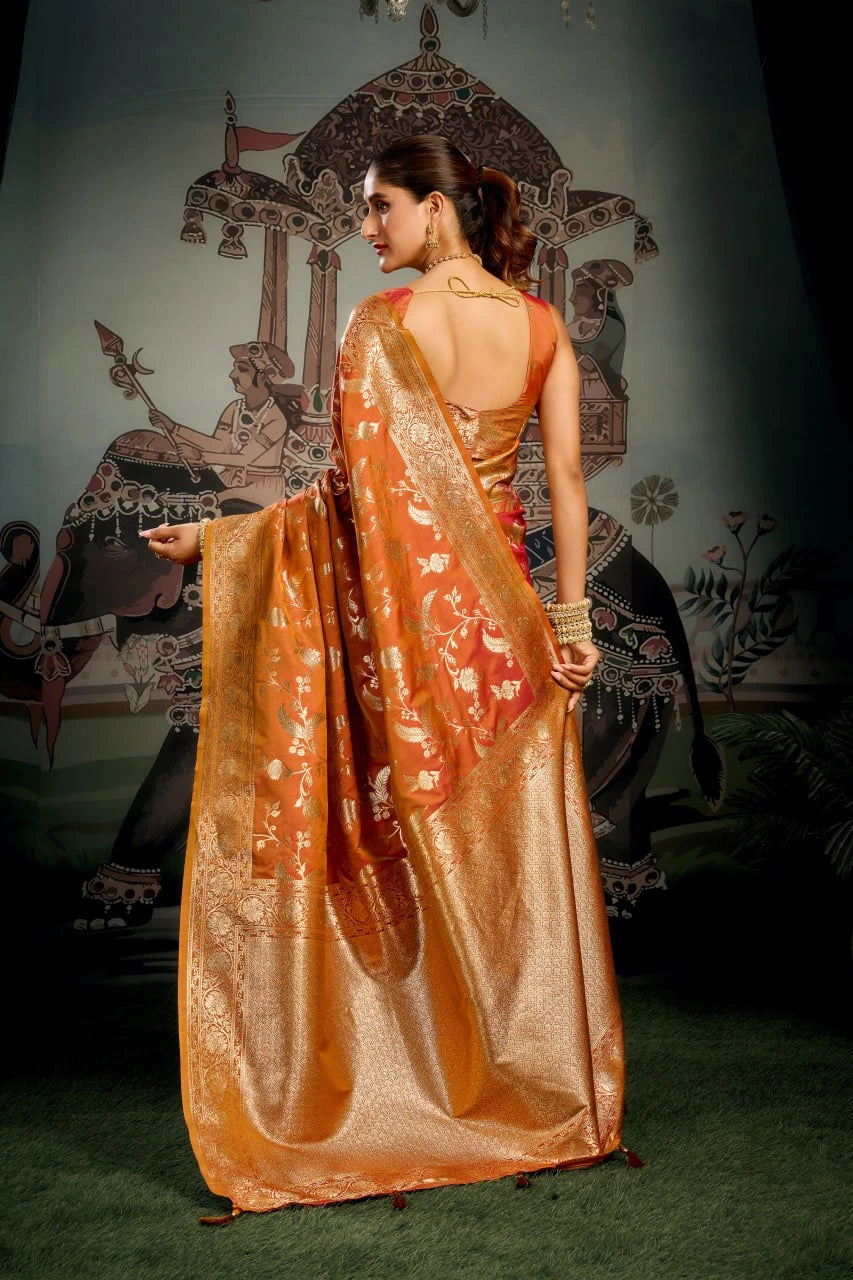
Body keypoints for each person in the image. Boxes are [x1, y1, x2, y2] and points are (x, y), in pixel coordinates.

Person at [141, 134, 625, 1217]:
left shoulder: (384, 329)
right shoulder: (542, 328)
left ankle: (415, 1082)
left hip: (407, 638)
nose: (366, 232)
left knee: (415, 846)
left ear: (436, 212)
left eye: (378, 209)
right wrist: (571, 621)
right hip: (503, 635)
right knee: (493, 858)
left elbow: (347, 504)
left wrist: (226, 542)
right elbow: (563, 487)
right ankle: (521, 1082)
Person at [147, 341, 300, 508]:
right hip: (230, 483)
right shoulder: (235, 408)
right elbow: (218, 445)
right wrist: (173, 427)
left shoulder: (276, 418)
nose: (232, 374)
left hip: (260, 492)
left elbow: (244, 459)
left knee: (208, 504)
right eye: (235, 367)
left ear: (264, 377)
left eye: (242, 369)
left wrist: (201, 456)